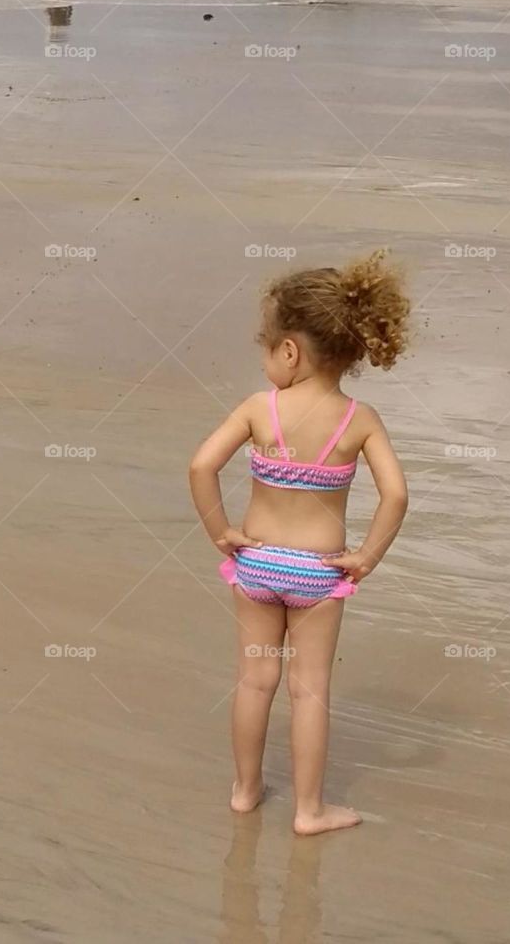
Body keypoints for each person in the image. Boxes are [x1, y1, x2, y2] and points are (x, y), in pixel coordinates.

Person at [189, 250, 410, 836]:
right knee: (309, 691)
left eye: (266, 348)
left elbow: (201, 466)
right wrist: (365, 557)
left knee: (255, 680)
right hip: (319, 572)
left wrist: (221, 533)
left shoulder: (259, 410)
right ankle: (309, 811)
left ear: (289, 350)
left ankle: (245, 792)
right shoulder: (360, 419)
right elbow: (395, 496)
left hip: (256, 564)